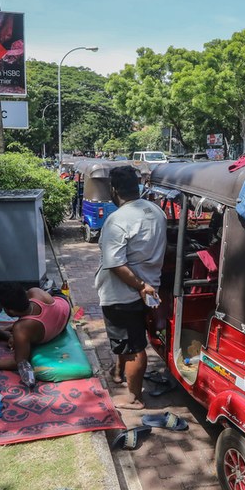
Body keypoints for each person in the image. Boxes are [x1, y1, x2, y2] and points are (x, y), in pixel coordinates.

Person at [94, 166, 167, 410]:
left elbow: (115, 263)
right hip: (147, 289)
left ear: (114, 191)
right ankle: (118, 372)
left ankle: (134, 397)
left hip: (126, 293)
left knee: (134, 345)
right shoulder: (155, 211)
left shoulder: (117, 220)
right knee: (125, 337)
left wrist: (139, 285)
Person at [0, 283, 72, 387]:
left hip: (56, 321)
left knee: (22, 328)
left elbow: (18, 362)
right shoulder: (35, 292)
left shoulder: (21, 329)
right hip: (65, 308)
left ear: (11, 311)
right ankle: (9, 327)